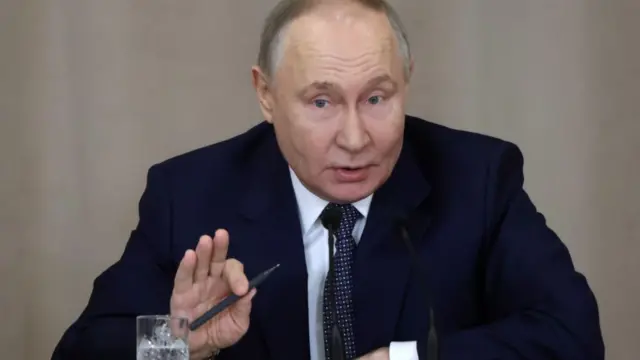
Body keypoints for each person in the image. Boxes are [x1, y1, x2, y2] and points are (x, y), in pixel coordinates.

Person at [52, 0, 605, 359]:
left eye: (377, 98)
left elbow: (573, 335)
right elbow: (80, 351)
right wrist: (177, 343)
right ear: (265, 94)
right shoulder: (189, 194)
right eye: (321, 101)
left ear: (406, 82)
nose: (355, 137)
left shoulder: (478, 179)